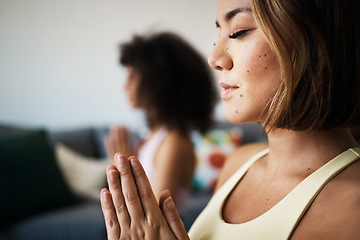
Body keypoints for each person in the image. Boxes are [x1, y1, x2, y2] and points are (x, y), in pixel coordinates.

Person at [100, 0, 360, 239]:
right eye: (219, 34)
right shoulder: (237, 164)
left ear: (315, 38)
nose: (214, 59)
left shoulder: (352, 206)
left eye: (238, 31)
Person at [103, 32, 218, 215]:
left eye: (131, 77)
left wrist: (124, 174)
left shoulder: (174, 143)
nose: (125, 87)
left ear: (157, 81)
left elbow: (153, 219)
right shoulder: (156, 136)